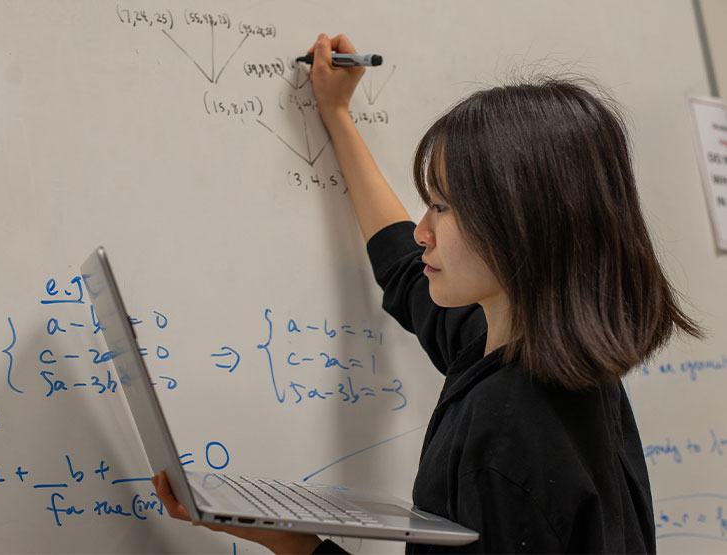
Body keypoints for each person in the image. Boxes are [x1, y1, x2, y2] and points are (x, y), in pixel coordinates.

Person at [153, 34, 703, 553]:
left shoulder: (507, 436)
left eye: (441, 206)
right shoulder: (549, 359)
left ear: (518, 225)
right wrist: (337, 115)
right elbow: (403, 267)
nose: (423, 231)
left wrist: (301, 548)